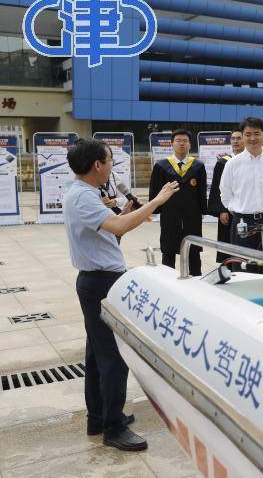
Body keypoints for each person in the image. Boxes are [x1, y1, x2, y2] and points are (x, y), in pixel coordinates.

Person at [64, 138, 179, 451]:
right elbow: (116, 227)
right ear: (97, 165)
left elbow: (115, 229)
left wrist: (126, 213)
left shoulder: (85, 195)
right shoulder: (83, 196)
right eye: (110, 162)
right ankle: (112, 428)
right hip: (100, 283)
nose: (112, 168)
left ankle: (98, 417)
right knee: (113, 355)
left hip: (99, 278)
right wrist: (156, 202)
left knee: (95, 353)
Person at [219, 117, 263, 271]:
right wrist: (240, 212)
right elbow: (225, 193)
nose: (252, 138)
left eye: (257, 133)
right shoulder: (233, 164)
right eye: (248, 134)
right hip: (243, 224)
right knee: (243, 271)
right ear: (242, 136)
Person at [149, 129, 207, 275]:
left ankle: (195, 282)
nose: (181, 143)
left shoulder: (198, 166)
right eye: (178, 141)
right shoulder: (161, 166)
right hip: (170, 215)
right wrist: (155, 208)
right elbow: (155, 192)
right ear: (172, 144)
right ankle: (167, 282)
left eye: (185, 141)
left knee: (193, 250)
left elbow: (201, 192)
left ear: (190, 145)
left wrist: (203, 210)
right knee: (168, 251)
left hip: (192, 216)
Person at [207, 129, 244, 264]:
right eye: (233, 138)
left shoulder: (249, 161)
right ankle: (228, 268)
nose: (235, 141)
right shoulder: (223, 162)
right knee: (227, 242)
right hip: (227, 211)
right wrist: (221, 210)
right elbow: (217, 188)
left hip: (245, 209)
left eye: (239, 138)